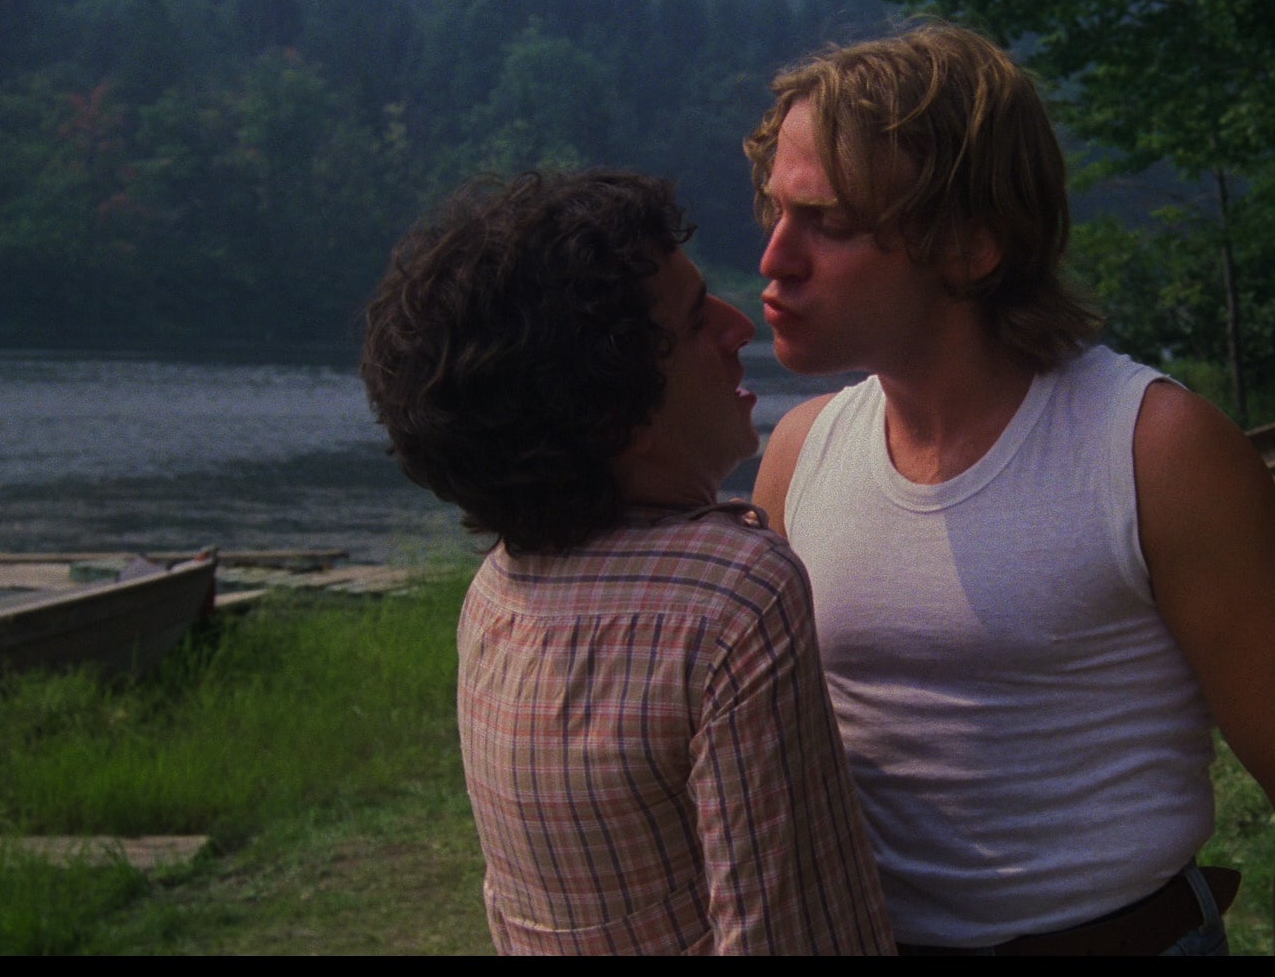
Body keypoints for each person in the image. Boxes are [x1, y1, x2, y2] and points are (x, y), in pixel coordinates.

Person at [744, 23, 1275, 955]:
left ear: (972, 247)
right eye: (776, 210)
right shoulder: (800, 455)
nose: (774, 258)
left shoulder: (1154, 452)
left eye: (829, 224)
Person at [359, 168, 893, 955]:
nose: (739, 327)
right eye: (695, 319)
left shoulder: (496, 593)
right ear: (615, 408)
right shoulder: (734, 598)